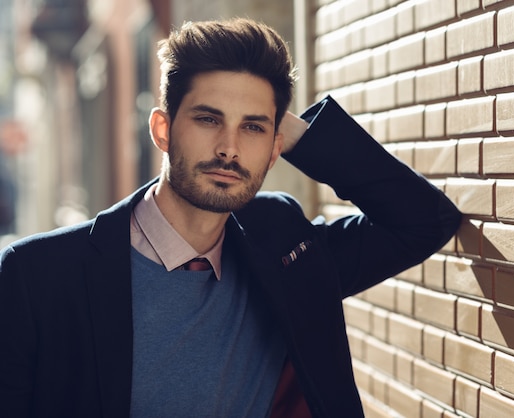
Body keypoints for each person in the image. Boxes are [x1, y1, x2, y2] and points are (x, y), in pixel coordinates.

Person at [0, 18, 462, 418]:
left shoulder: (284, 251)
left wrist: (298, 133)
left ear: (276, 145)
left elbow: (423, 220)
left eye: (253, 127)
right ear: (163, 129)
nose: (229, 148)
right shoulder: (37, 275)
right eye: (208, 119)